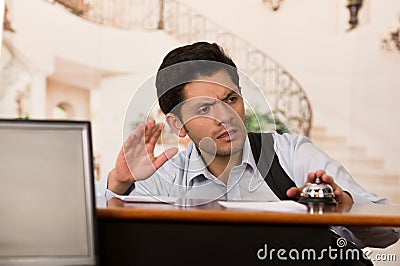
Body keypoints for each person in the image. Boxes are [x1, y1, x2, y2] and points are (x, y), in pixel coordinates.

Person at [98, 42, 399, 250]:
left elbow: (389, 231)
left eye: (231, 99)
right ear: (177, 124)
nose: (225, 116)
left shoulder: (291, 154)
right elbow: (97, 239)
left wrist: (344, 205)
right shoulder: (164, 176)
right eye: (204, 109)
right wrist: (119, 182)